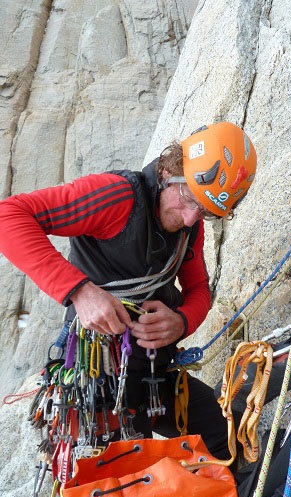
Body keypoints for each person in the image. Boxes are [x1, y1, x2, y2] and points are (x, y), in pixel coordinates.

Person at [0, 121, 257, 459]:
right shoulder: (116, 198)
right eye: (188, 198)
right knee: (115, 489)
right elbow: (10, 216)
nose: (192, 217)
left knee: (231, 439)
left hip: (153, 376)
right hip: (93, 379)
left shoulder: (188, 229)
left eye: (206, 212)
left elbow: (198, 289)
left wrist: (181, 321)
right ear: (168, 171)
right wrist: (80, 291)